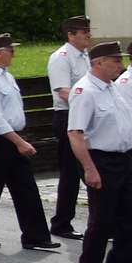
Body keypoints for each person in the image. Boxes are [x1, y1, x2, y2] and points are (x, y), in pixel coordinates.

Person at [0, 33, 57, 252]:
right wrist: (19, 142)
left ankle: (35, 235)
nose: (14, 55)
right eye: (11, 51)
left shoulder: (5, 76)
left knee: (26, 187)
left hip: (12, 137)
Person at [67, 41, 132, 263]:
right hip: (100, 160)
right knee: (101, 221)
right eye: (116, 60)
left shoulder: (111, 87)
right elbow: (75, 133)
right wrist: (89, 169)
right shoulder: (85, 91)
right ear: (99, 62)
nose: (121, 65)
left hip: (123, 160)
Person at [49, 15, 94, 240]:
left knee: (84, 170)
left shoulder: (85, 57)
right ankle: (62, 223)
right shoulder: (62, 58)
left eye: (88, 31)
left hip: (85, 117)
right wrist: (88, 105)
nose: (88, 35)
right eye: (83, 31)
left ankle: (100, 221)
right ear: (70, 35)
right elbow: (63, 92)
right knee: (71, 174)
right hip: (68, 117)